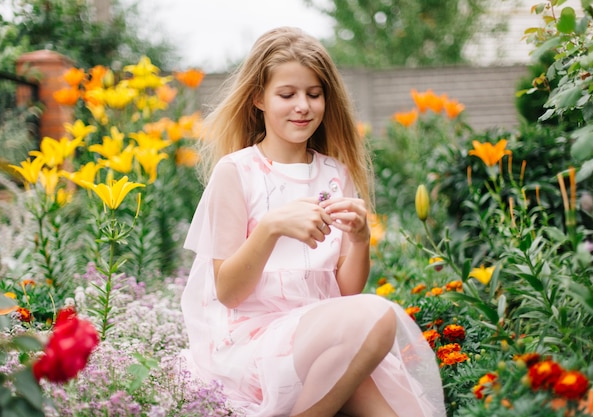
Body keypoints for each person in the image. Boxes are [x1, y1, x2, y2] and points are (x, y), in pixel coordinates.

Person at [181, 26, 445, 417]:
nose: (302, 106)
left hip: (324, 339)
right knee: (379, 315)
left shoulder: (335, 174)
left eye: (314, 94)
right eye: (287, 94)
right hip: (254, 343)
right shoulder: (237, 172)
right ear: (258, 98)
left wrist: (359, 239)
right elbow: (229, 292)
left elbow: (345, 291)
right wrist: (271, 227)